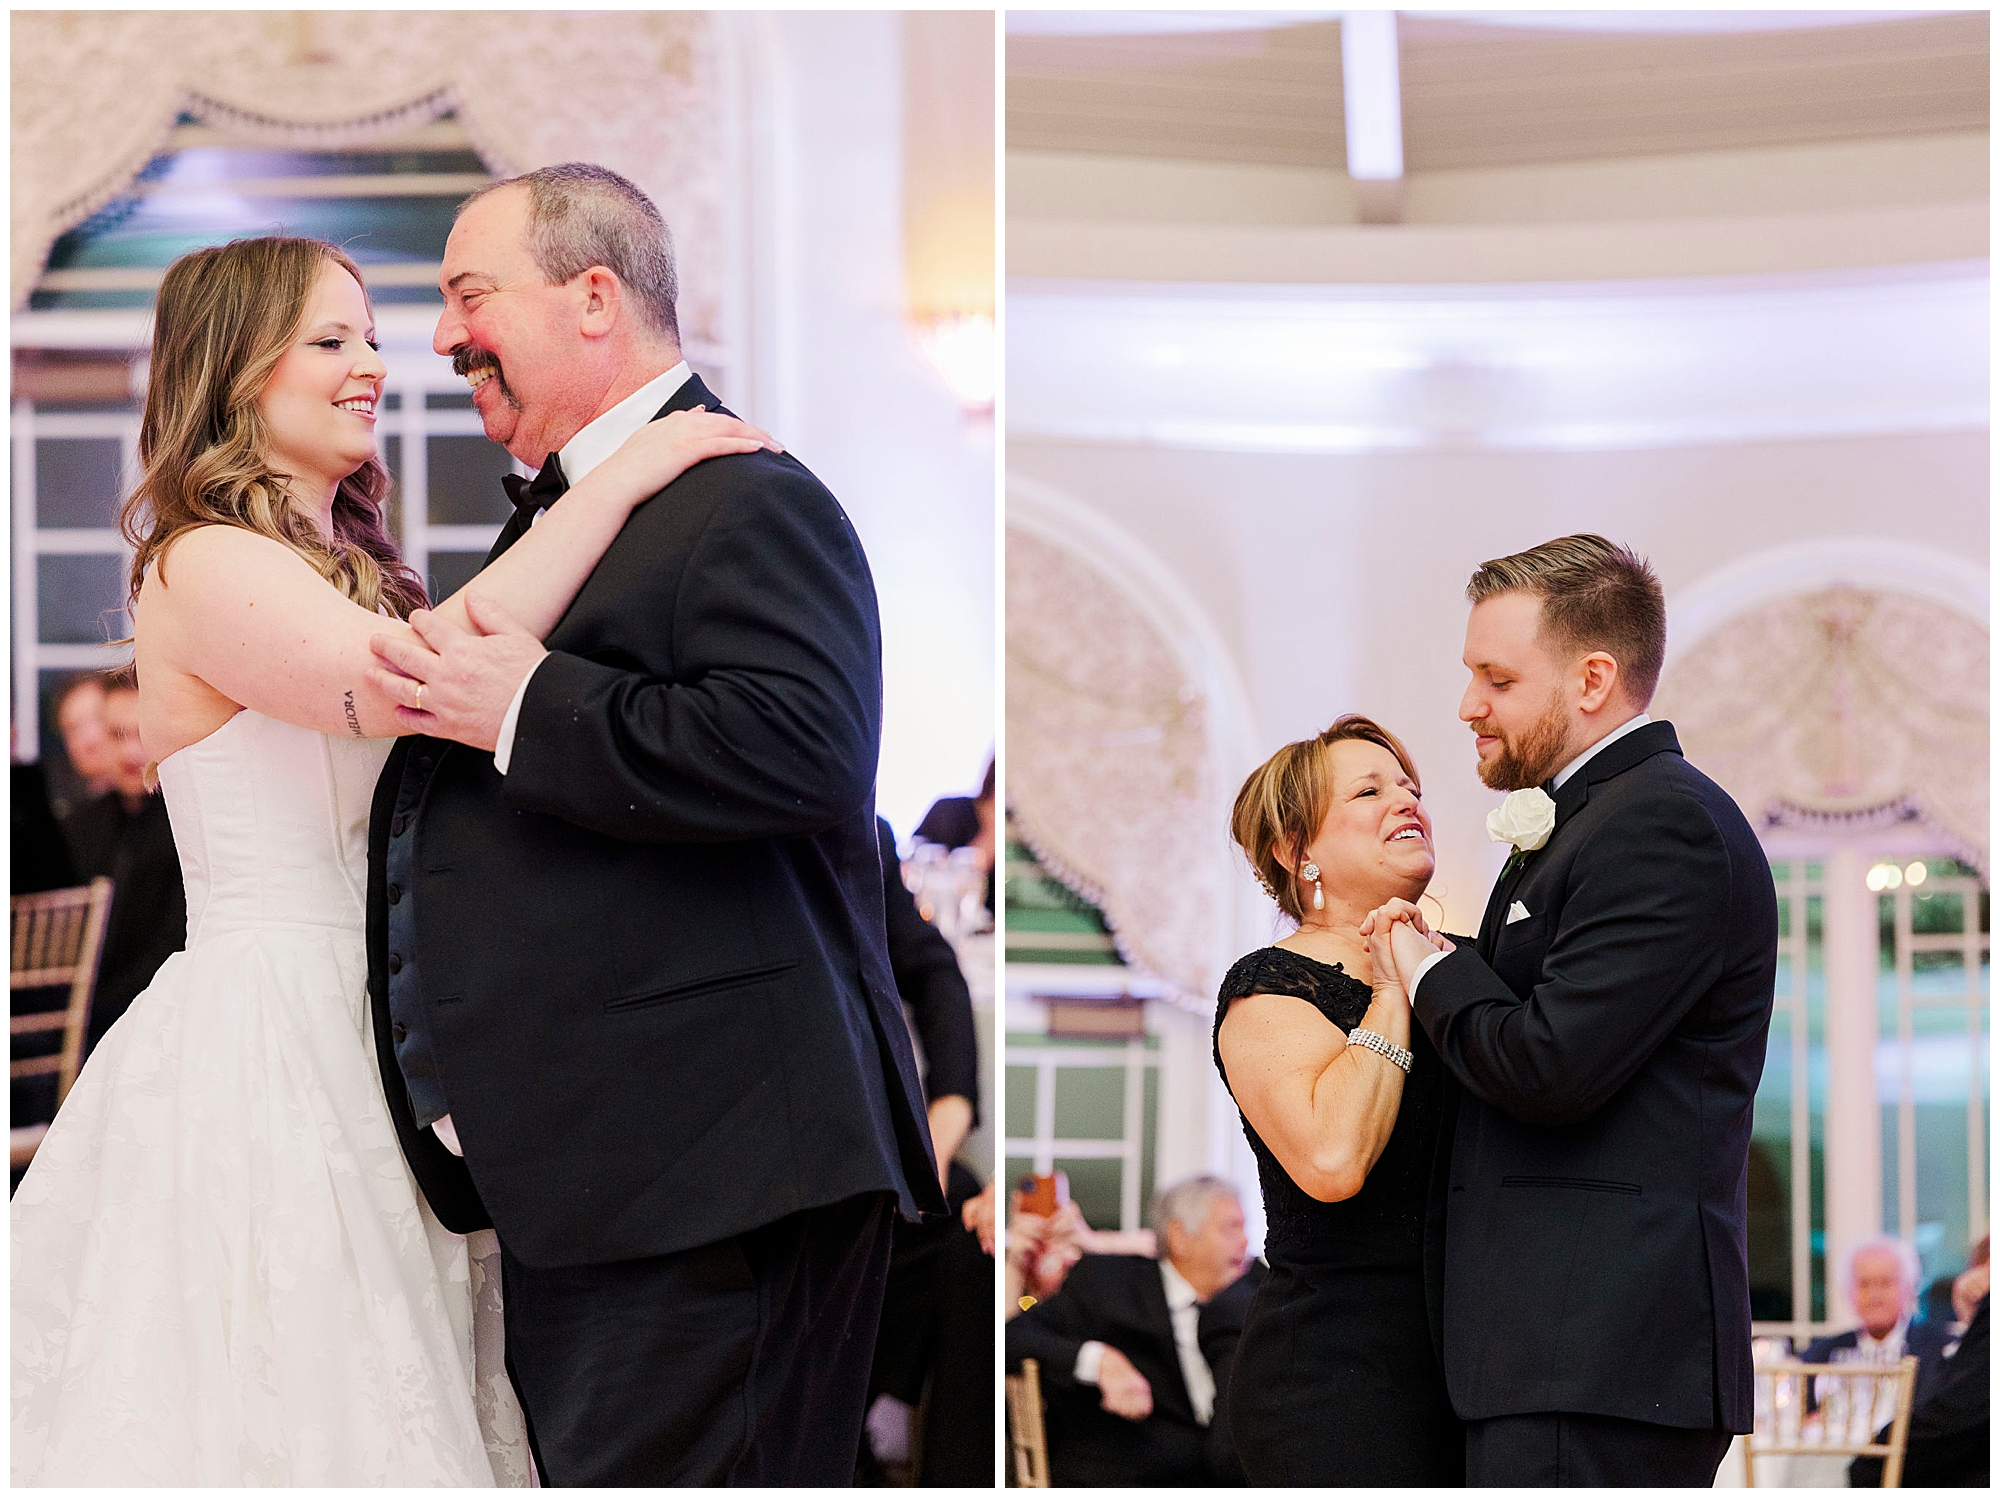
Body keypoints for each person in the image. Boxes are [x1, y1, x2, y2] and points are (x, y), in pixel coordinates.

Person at [10, 234, 775, 1485]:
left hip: (391, 1032)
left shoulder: (353, 574)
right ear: (237, 367)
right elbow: (400, 686)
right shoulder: (201, 561)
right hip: (269, 1038)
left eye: (368, 335)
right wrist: (627, 473)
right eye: (331, 339)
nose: (372, 364)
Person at [357, 163, 945, 1486]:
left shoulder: (745, 496)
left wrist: (530, 704)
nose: (444, 337)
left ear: (594, 298)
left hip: (721, 1164)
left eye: (468, 295)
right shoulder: (596, 509)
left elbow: (811, 753)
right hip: (630, 1171)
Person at [1368, 534, 1778, 1487]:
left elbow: (1550, 1065)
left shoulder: (1661, 825)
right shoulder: (1597, 818)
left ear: (1593, 678)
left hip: (1602, 1353)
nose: (1469, 706)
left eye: (1498, 679)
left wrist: (1425, 963)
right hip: (1557, 1354)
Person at [1214, 714, 1465, 1486]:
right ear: (1300, 852)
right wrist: (1391, 993)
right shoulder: (1268, 988)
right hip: (1337, 1379)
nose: (1407, 801)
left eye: (1410, 787)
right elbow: (1331, 1159)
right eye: (1370, 789)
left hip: (1474, 1369)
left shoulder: (1469, 971)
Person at [1006, 1176, 1257, 1486]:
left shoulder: (1257, 1296)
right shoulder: (1110, 1284)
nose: (1245, 1242)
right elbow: (1011, 1338)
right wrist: (1099, 1361)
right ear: (1179, 1237)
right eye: (1231, 1229)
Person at [62, 676, 187, 1052]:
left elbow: (171, 946)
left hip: (154, 1024)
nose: (131, 752)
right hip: (82, 1019)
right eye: (118, 735)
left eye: (141, 735)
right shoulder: (79, 827)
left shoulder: (184, 827)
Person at [1800, 1238, 1953, 1400]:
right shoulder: (1821, 1356)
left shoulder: (1942, 1350)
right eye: (1863, 1284)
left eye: (1886, 1283)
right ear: (1847, 1292)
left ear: (1909, 1287)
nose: (1875, 1296)